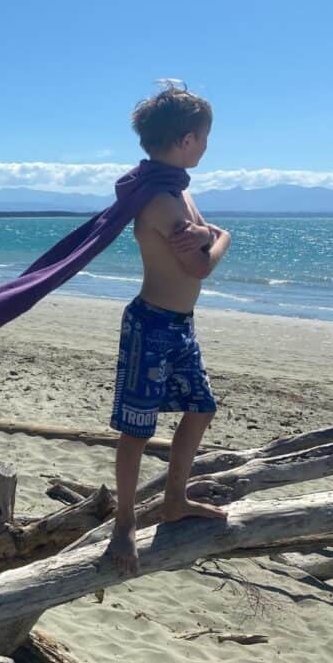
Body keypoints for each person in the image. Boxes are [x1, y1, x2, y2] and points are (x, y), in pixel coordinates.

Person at [107, 83, 233, 575]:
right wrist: (225, 236)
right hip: (151, 325)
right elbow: (201, 266)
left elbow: (201, 241)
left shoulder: (178, 187)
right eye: (204, 138)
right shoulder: (161, 199)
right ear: (186, 140)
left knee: (200, 409)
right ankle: (122, 526)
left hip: (179, 325)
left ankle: (174, 500)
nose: (206, 146)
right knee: (136, 431)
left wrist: (211, 235)